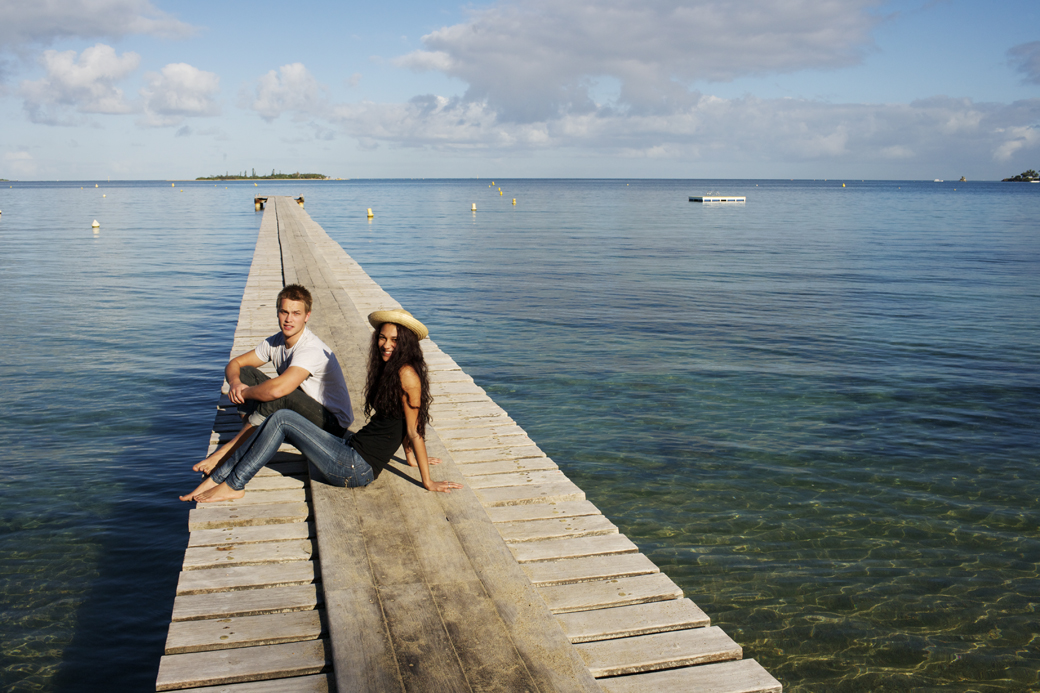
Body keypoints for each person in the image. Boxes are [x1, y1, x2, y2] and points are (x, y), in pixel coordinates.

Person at [180, 308, 461, 502]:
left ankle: (232, 484)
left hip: (356, 468)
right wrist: (409, 457)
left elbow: (413, 429)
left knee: (281, 418)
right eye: (383, 337)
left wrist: (428, 480)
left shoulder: (407, 374)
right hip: (353, 448)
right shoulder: (390, 368)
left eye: (395, 341)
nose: (386, 345)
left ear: (407, 343)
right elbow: (396, 422)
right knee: (280, 415)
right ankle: (220, 477)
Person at [194, 284, 353, 477]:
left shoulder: (310, 349)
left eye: (296, 313)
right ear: (278, 312)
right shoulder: (275, 342)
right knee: (246, 372)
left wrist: (243, 393)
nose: (289, 319)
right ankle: (252, 431)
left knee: (278, 393)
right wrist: (235, 383)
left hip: (331, 425)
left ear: (307, 316)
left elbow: (278, 390)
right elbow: (235, 363)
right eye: (284, 312)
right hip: (302, 410)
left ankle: (229, 450)